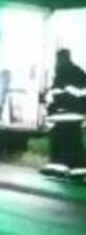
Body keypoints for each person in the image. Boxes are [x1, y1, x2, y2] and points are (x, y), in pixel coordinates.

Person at [42, 49, 86, 179]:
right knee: (74, 144)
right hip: (76, 116)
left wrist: (49, 111)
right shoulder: (79, 72)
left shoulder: (61, 73)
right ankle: (78, 171)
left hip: (61, 117)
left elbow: (55, 95)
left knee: (60, 144)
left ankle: (59, 170)